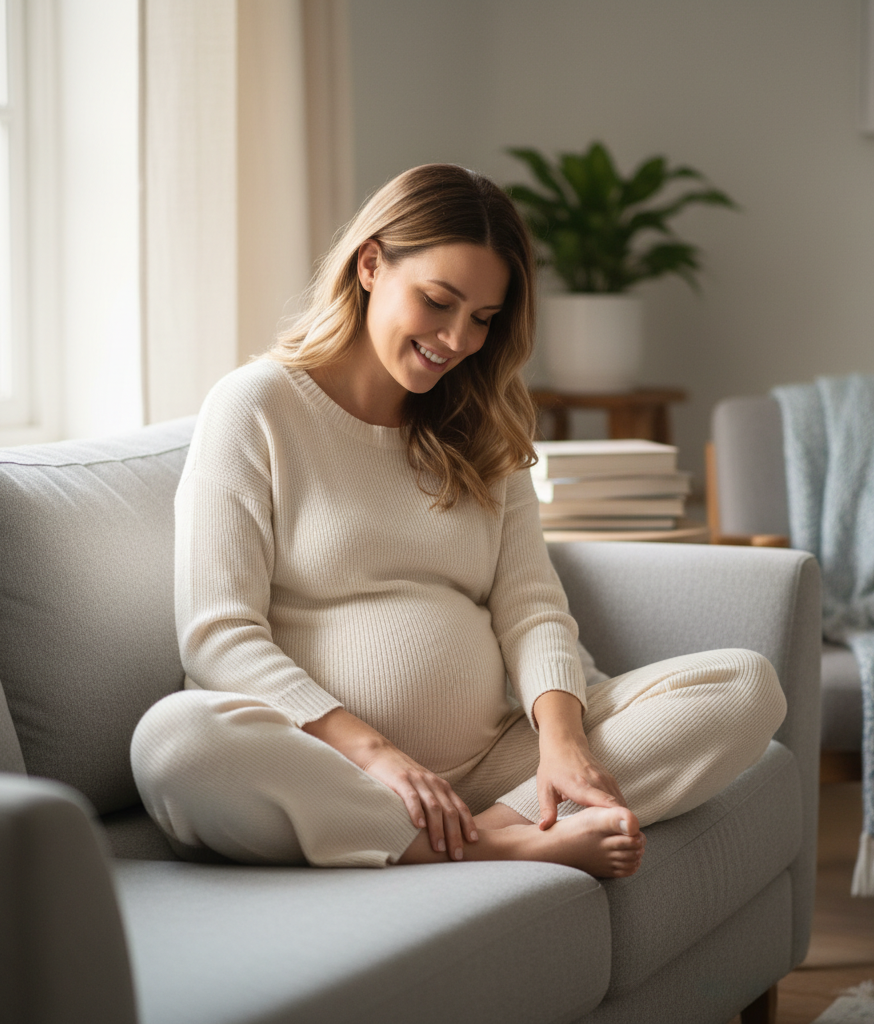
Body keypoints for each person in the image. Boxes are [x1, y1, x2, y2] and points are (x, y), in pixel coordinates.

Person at [131, 164, 786, 879]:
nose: (456, 339)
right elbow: (216, 634)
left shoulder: (482, 427)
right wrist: (377, 754)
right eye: (438, 302)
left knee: (747, 685)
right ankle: (493, 847)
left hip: (492, 762)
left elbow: (531, 607)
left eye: (482, 319)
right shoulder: (256, 407)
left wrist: (560, 743)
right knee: (175, 741)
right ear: (372, 263)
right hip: (333, 768)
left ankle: (494, 825)